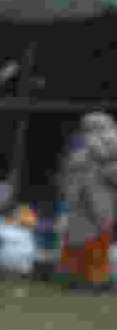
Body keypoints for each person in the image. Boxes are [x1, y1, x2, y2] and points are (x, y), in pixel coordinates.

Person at [59, 111, 117, 292]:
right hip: (83, 205)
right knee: (80, 242)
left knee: (95, 243)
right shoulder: (80, 148)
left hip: (99, 205)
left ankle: (95, 279)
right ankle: (77, 277)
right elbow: (70, 170)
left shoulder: (107, 147)